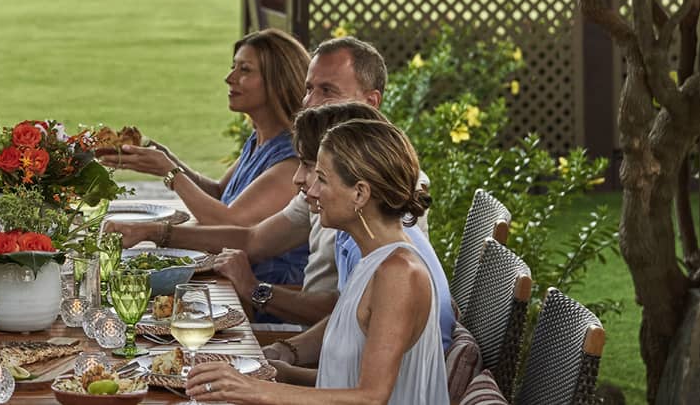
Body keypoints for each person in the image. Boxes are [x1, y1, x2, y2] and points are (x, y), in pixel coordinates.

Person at [107, 37, 391, 325]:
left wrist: (170, 174)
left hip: (275, 316)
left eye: (327, 90)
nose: (309, 102)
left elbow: (233, 223)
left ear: (371, 102)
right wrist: (154, 227)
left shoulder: (373, 189)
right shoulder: (296, 160)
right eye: (309, 89)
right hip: (280, 320)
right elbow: (249, 235)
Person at [185, 116, 448, 403]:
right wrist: (281, 372)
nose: (310, 190)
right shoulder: (373, 261)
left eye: (322, 178)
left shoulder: (399, 273)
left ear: (359, 193)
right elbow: (344, 380)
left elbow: (371, 397)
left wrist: (255, 390)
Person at [102, 28, 310, 286]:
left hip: (264, 295)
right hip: (225, 279)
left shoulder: (292, 161)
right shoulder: (259, 140)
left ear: (277, 80)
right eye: (233, 67)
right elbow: (219, 193)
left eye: (244, 70)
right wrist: (167, 159)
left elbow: (226, 222)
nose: (229, 78)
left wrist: (171, 173)